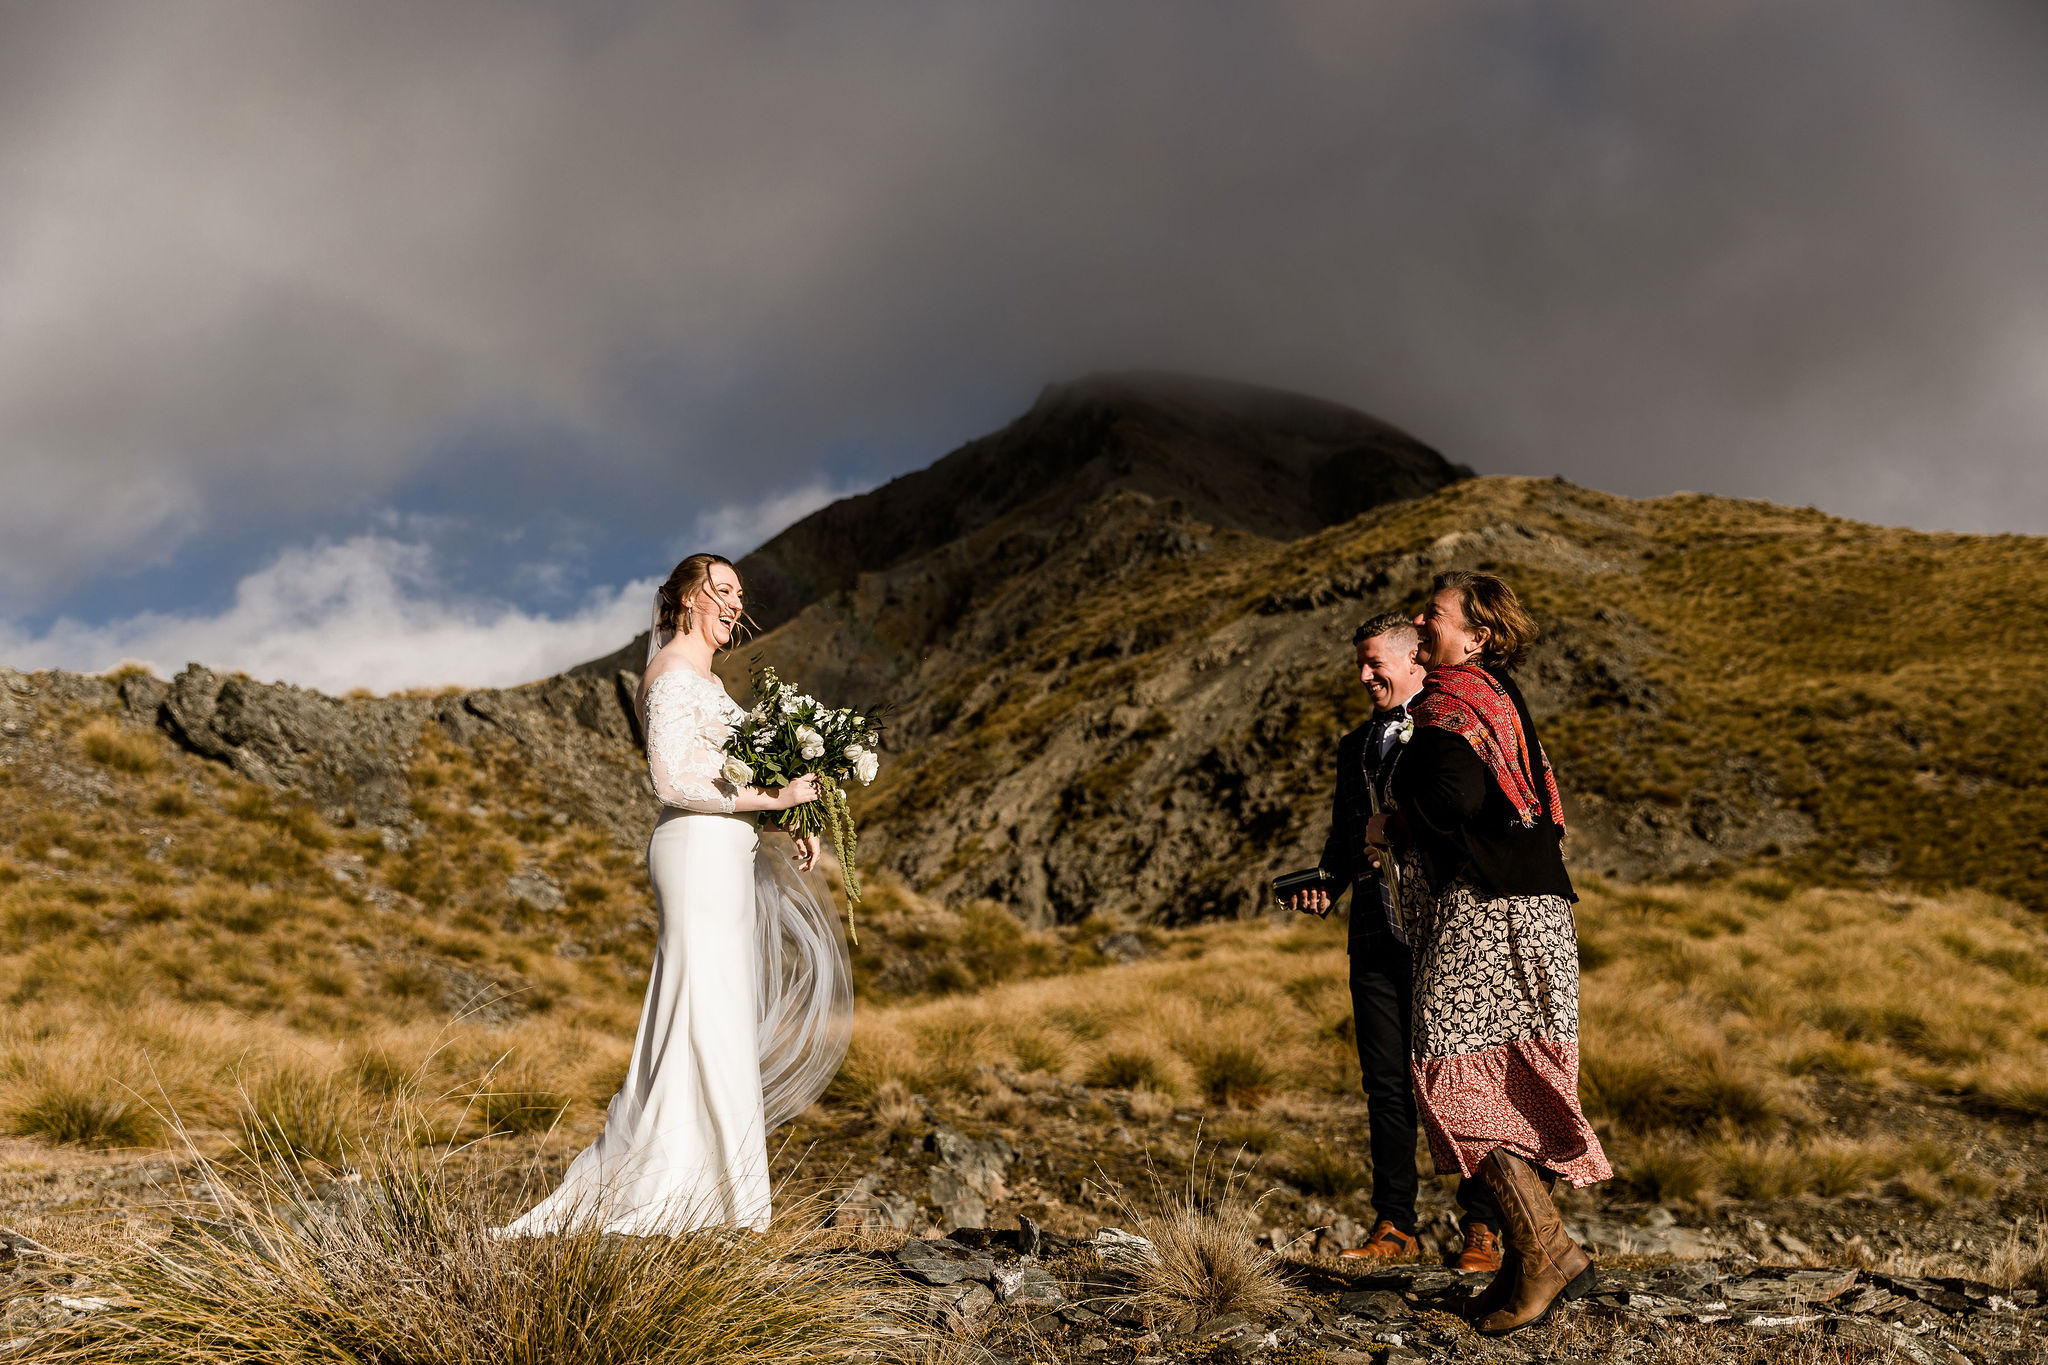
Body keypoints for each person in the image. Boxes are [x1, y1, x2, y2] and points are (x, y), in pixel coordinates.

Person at [499, 553, 852, 1237]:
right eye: (721, 591)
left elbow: (724, 779)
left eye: (739, 594)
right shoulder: (672, 677)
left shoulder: (710, 683)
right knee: (702, 1004)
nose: (733, 604)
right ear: (687, 600)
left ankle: (714, 1196)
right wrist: (775, 794)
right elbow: (673, 781)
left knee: (715, 1007)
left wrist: (786, 818)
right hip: (692, 852)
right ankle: (698, 1196)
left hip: (724, 850)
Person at [1379, 569, 1611, 1335]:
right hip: (1534, 905)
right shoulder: (1500, 697)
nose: (1422, 618)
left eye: (1434, 613)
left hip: (1485, 914)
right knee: (1507, 1079)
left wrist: (1395, 820)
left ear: (1475, 636)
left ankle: (1546, 1253)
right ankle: (1523, 1263)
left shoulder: (1451, 703)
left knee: (1458, 1077)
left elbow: (1455, 801)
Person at [1291, 611, 1505, 1273]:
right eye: (1359, 663)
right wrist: (1325, 880)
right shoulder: (1355, 742)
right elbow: (1347, 829)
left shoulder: (1452, 726)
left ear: (1414, 659)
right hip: (1374, 929)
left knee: (1463, 1077)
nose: (1363, 676)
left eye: (1373, 663)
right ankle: (1395, 1221)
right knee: (1384, 1082)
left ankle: (1485, 1225)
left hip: (1446, 931)